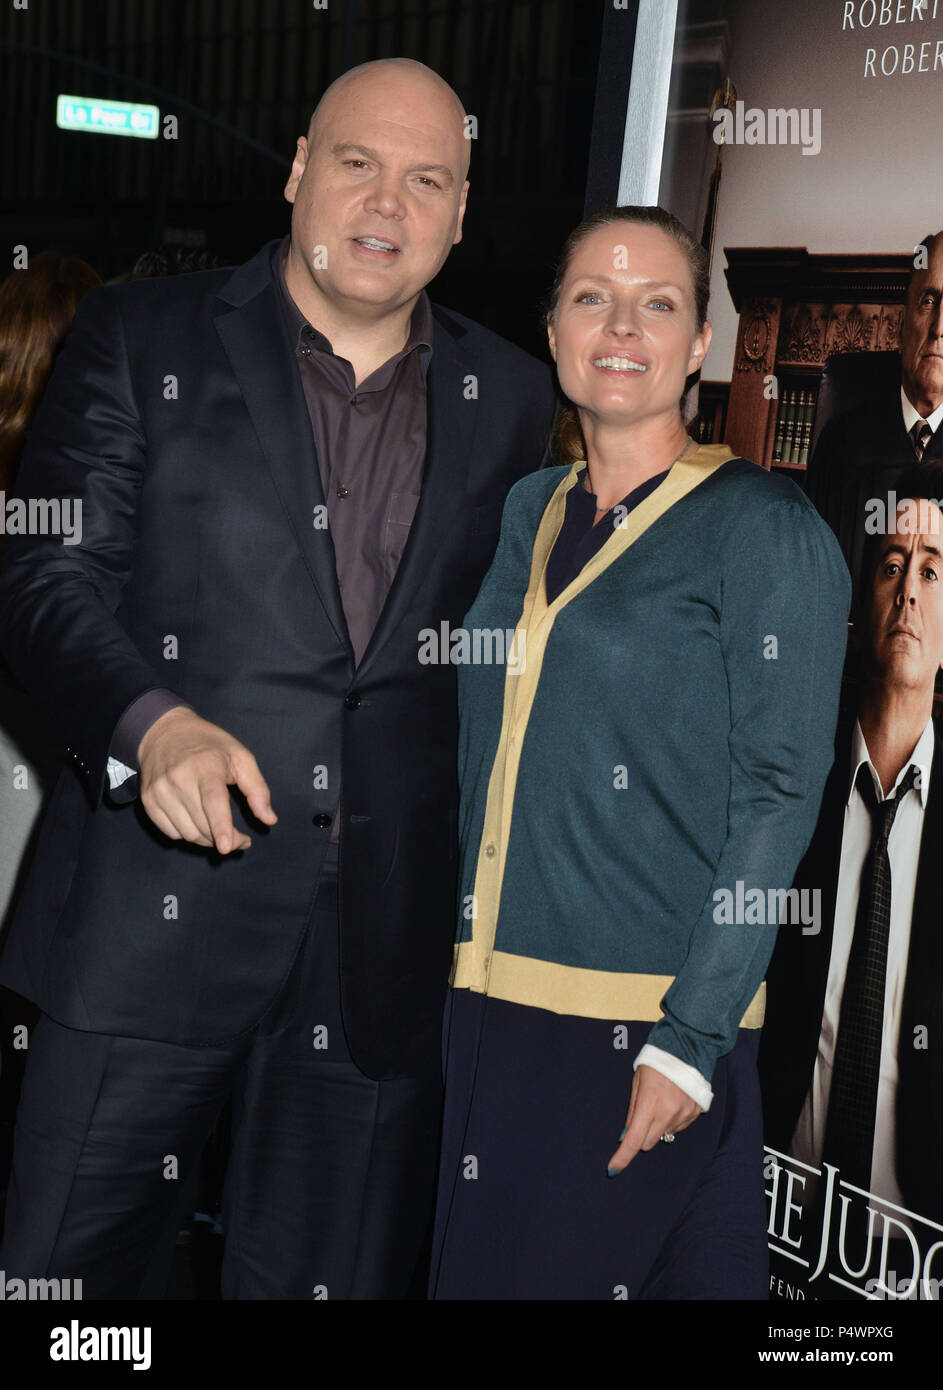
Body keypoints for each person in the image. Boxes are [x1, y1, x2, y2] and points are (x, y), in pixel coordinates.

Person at [0, 57, 554, 1299]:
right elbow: (42, 574)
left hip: (377, 969)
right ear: (300, 173)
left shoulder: (513, 399)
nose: (387, 203)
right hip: (148, 926)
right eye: (357, 162)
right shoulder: (142, 335)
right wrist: (154, 728)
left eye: (427, 180)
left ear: (460, 215)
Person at [428, 204, 851, 1300]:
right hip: (488, 1004)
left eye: (656, 302)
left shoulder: (764, 525)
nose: (621, 325)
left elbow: (781, 790)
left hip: (634, 1024)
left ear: (698, 343)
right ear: (555, 328)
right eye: (590, 298)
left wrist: (689, 1035)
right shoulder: (531, 506)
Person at [760, 468, 943, 1279]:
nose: (907, 591)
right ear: (860, 603)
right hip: (770, 1222)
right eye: (890, 564)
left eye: (933, 569)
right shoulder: (790, 786)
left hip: (912, 1258)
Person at [807, 230, 943, 588]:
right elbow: (812, 585)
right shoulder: (840, 444)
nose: (939, 328)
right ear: (901, 324)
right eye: (929, 301)